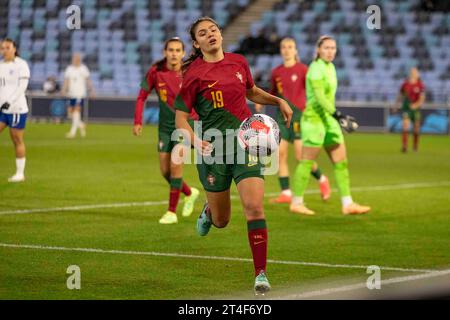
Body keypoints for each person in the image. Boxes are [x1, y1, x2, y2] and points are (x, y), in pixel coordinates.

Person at [174, 17, 292, 294]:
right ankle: (209, 210)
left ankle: (260, 273)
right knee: (222, 221)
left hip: (245, 143)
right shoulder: (194, 75)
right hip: (211, 149)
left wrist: (278, 100)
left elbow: (251, 91)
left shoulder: (238, 61)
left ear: (220, 34)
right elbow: (180, 119)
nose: (210, 35)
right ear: (196, 43)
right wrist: (194, 139)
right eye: (203, 33)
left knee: (254, 207)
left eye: (213, 30)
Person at [290, 35, 371, 216]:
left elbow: (328, 98)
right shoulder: (315, 68)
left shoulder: (331, 67)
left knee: (341, 162)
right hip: (314, 119)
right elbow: (319, 97)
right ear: (318, 50)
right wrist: (338, 114)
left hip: (329, 119)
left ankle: (347, 204)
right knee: (307, 161)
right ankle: (296, 202)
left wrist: (334, 116)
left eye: (333, 48)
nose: (330, 51)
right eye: (326, 48)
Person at [255, 37, 331, 204]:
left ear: (295, 50)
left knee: (300, 156)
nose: (287, 50)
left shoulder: (303, 69)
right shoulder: (276, 72)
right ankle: (286, 192)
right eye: (284, 47)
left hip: (299, 116)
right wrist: (261, 103)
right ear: (281, 50)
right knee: (280, 155)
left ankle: (322, 179)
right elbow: (273, 93)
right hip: (281, 117)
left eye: (290, 47)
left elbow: (312, 92)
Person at [134, 37, 200, 224]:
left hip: (186, 125)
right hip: (165, 128)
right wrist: (138, 121)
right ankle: (189, 192)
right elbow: (141, 97)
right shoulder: (156, 71)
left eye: (178, 50)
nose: (174, 53)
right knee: (165, 171)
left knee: (176, 164)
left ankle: (171, 212)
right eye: (170, 50)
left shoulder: (190, 71)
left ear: (183, 53)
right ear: (165, 52)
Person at [0, 38, 30, 182]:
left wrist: (9, 102)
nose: (4, 50)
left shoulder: (21, 65)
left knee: (17, 139)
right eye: (2, 48)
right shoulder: (0, 66)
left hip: (17, 109)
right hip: (2, 110)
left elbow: (22, 87)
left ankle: (20, 173)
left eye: (7, 47)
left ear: (14, 49)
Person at [61, 53, 94, 138]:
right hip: (71, 94)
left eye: (76, 58)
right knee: (70, 114)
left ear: (79, 59)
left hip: (80, 94)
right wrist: (63, 90)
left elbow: (88, 80)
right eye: (73, 58)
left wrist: (91, 90)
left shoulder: (83, 69)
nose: (74, 60)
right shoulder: (69, 69)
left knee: (76, 111)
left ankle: (73, 132)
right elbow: (66, 80)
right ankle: (81, 124)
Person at [394, 67, 425, 152]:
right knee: (405, 125)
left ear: (418, 74)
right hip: (407, 108)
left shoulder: (420, 85)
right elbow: (400, 95)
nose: (413, 73)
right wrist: (396, 106)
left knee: (416, 128)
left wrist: (415, 105)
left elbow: (422, 98)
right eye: (412, 72)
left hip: (416, 109)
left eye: (415, 72)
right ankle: (405, 146)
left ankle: (415, 147)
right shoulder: (405, 84)